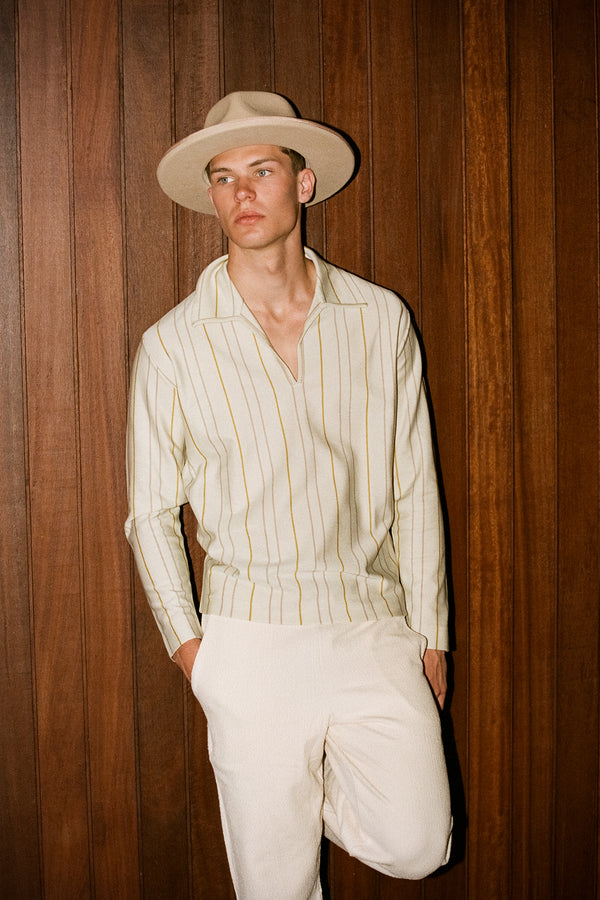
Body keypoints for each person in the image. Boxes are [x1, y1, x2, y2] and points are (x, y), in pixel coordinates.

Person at [125, 91, 452, 899]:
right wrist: (196, 654)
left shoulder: (380, 320)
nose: (241, 193)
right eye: (225, 177)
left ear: (303, 185)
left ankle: (290, 798)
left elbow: (416, 483)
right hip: (249, 639)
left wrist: (430, 631)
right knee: (276, 889)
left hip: (371, 625)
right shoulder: (172, 346)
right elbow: (151, 513)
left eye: (262, 170)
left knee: (420, 844)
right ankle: (273, 797)